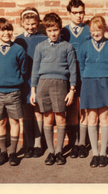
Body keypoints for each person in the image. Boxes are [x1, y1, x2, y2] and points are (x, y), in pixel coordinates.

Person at [30, 13, 77, 165]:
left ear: (60, 29)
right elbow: (35, 69)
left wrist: (72, 90)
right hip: (43, 84)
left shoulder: (67, 47)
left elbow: (73, 69)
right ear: (46, 31)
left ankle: (59, 151)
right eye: (50, 31)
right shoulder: (40, 47)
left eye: (55, 30)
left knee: (60, 117)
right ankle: (50, 151)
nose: (53, 33)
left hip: (61, 84)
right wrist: (33, 90)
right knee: (47, 118)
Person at [78, 16, 108, 168]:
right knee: (92, 118)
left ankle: (103, 153)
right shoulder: (84, 46)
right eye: (93, 30)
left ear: (104, 29)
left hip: (106, 82)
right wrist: (88, 77)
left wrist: (107, 75)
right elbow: (81, 66)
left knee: (104, 117)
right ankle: (95, 153)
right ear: (90, 31)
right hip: (89, 83)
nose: (96, 33)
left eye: (99, 30)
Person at [0, 18, 27, 166]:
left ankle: (13, 153)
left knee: (14, 121)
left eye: (9, 29)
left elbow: (23, 70)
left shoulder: (18, 50)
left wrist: (14, 81)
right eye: (2, 30)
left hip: (14, 92)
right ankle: (3, 152)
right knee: (0, 121)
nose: (6, 33)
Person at [14, 7, 47, 158]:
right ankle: (29, 145)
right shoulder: (18, 40)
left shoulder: (43, 38)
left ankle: (39, 145)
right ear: (21, 23)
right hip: (24, 81)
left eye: (33, 24)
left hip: (39, 79)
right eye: (27, 24)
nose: (30, 27)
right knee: (27, 113)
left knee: (38, 111)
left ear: (38, 23)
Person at [61, 0, 91, 159]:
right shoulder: (64, 31)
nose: (79, 16)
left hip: (85, 75)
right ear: (69, 13)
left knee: (84, 109)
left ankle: (82, 144)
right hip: (69, 76)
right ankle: (73, 143)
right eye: (75, 13)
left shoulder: (88, 30)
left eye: (81, 12)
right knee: (72, 110)